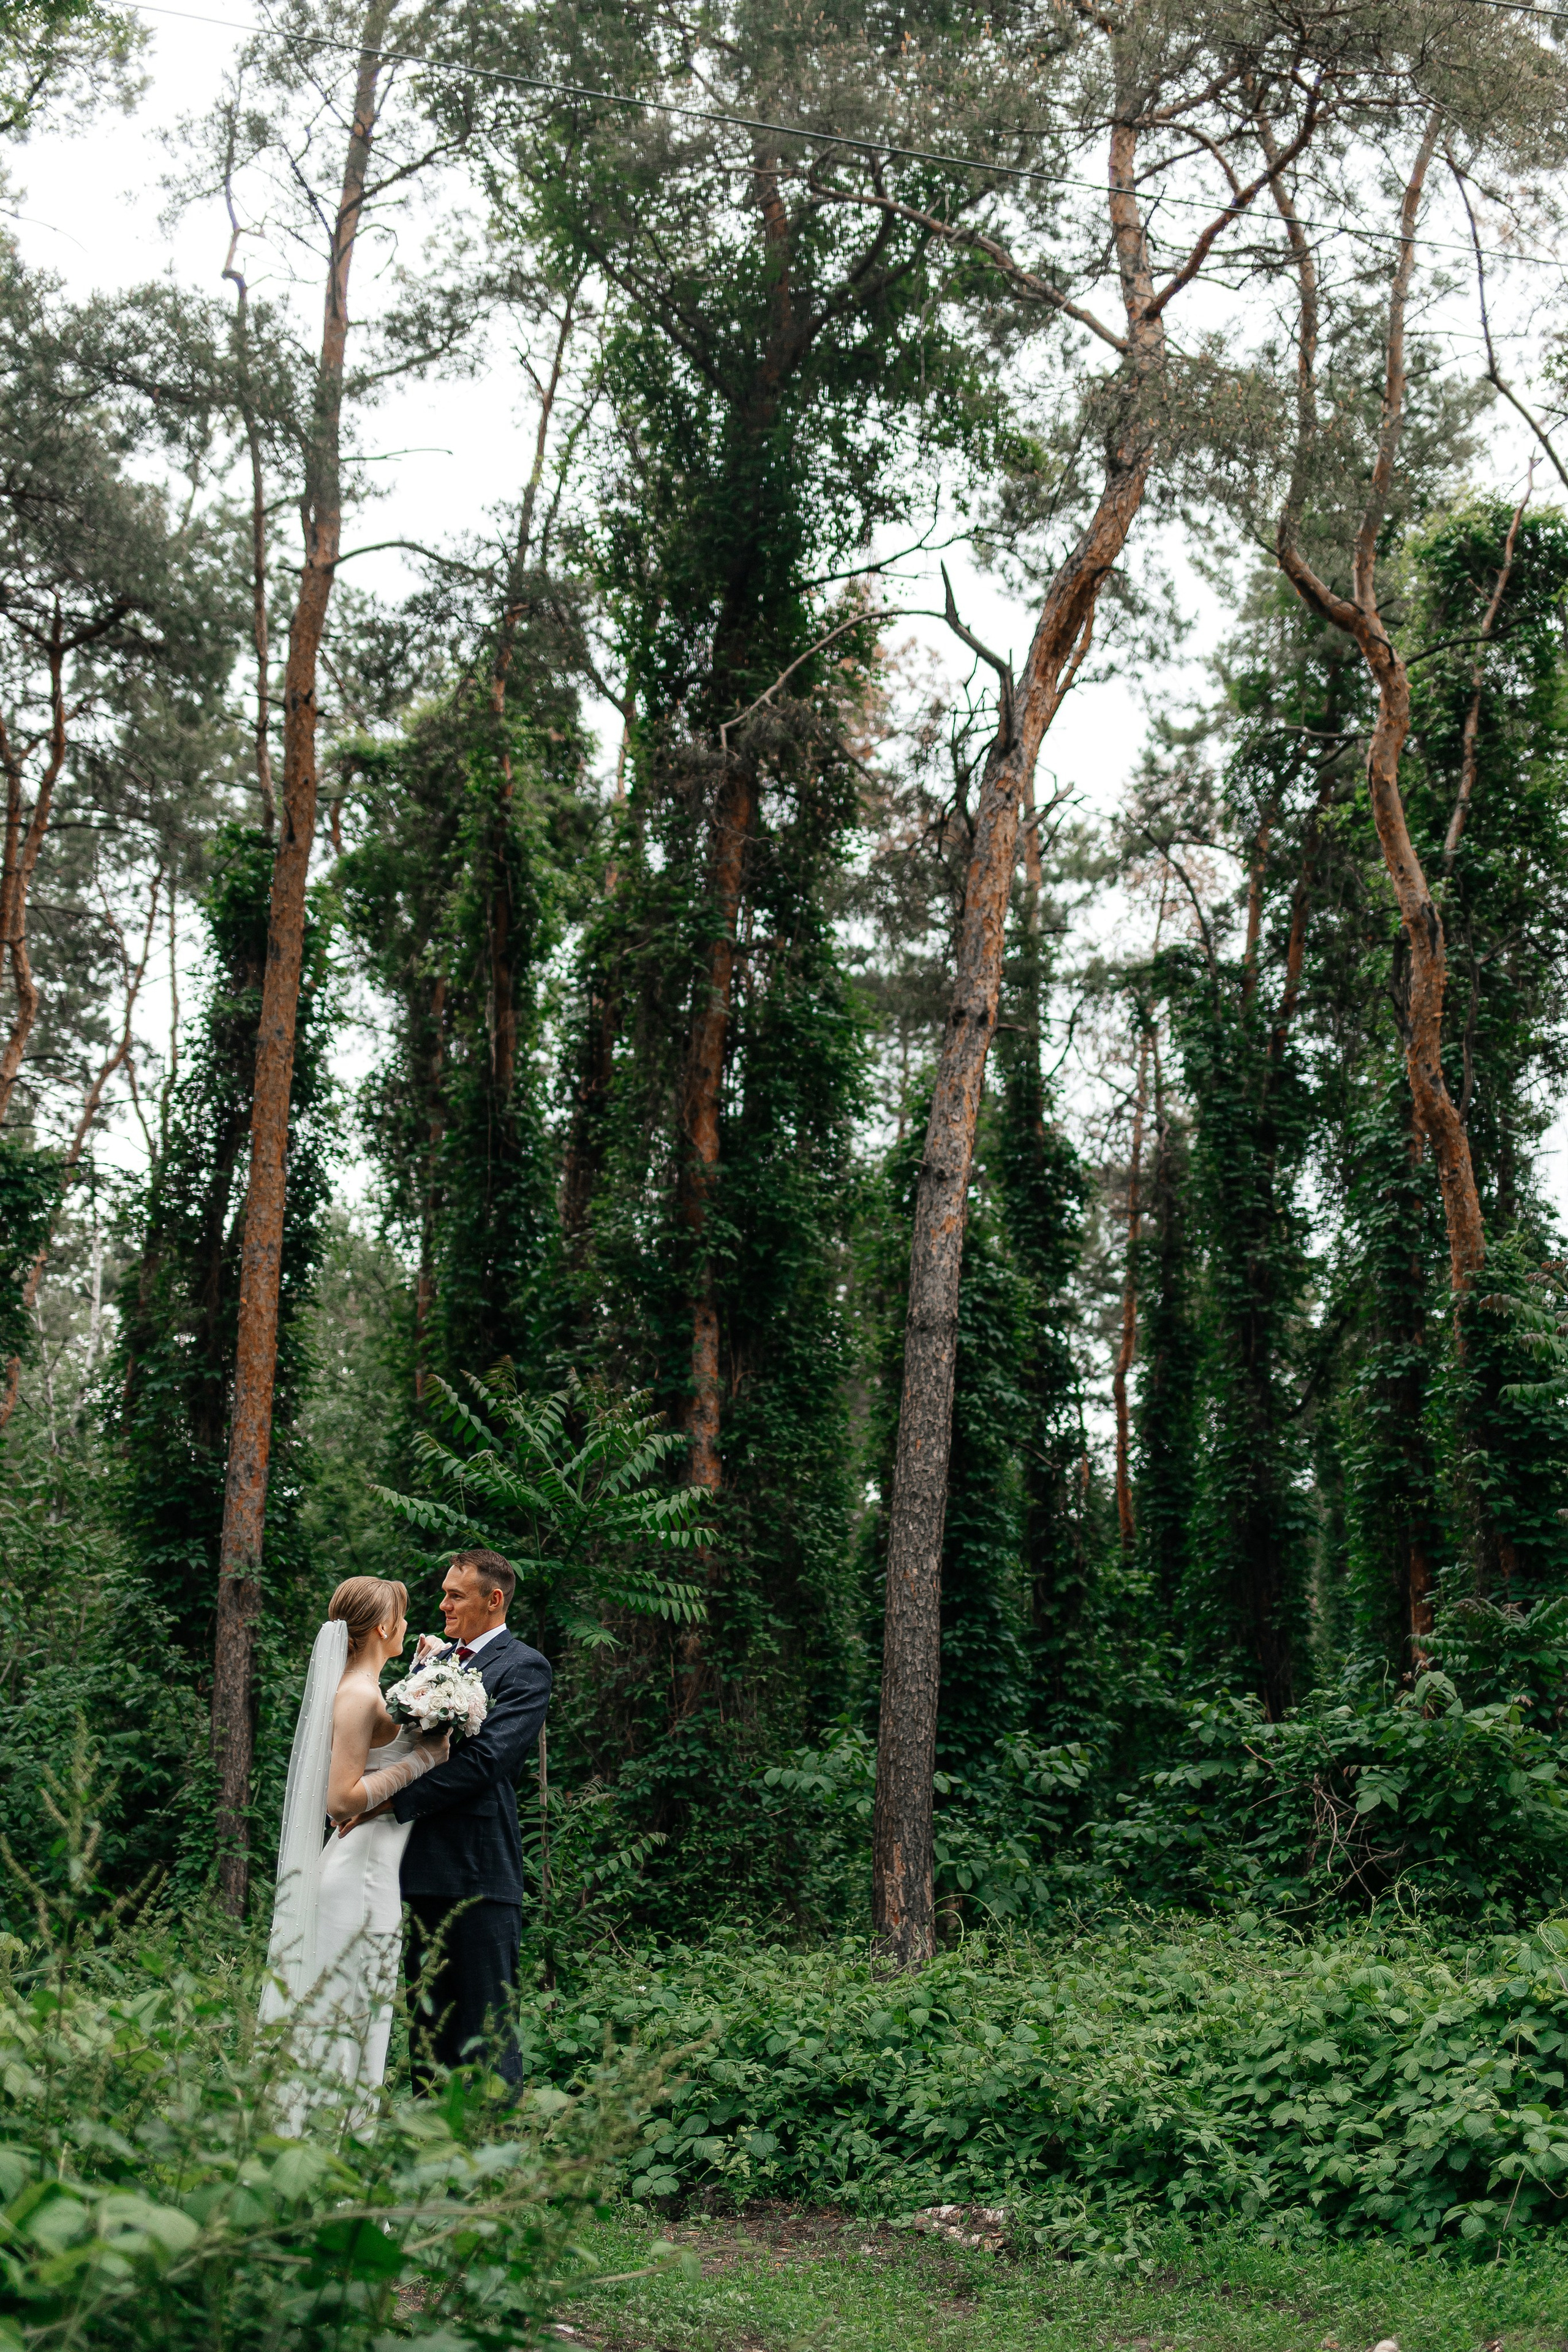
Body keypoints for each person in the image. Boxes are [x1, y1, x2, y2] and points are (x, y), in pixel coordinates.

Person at [260, 1575, 450, 2127]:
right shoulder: (358, 1696)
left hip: (374, 1870)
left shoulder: (365, 1688)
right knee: (348, 2018)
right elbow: (341, 1801)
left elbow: (379, 1750)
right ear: (386, 1626)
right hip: (360, 1873)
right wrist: (423, 1760)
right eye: (404, 1615)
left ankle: (342, 2161)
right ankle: (334, 2163)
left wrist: (427, 1676)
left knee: (361, 2019)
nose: (410, 1624)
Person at [384, 1548, 552, 2089]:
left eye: (456, 1595)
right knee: (429, 2030)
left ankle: (493, 2163)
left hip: (480, 1872)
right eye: (444, 1593)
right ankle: (433, 2161)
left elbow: (487, 1761)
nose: (443, 1604)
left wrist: (388, 1802)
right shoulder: (435, 1665)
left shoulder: (523, 1666)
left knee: (487, 2028)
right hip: (420, 1868)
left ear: (494, 1599)